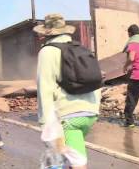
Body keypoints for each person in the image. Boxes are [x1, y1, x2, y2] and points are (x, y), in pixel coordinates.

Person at [35, 14, 101, 169]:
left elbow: (45, 89)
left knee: (77, 162)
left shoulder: (48, 52)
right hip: (90, 112)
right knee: (66, 157)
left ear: (46, 33)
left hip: (69, 119)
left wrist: (45, 122)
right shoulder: (81, 48)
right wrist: (94, 109)